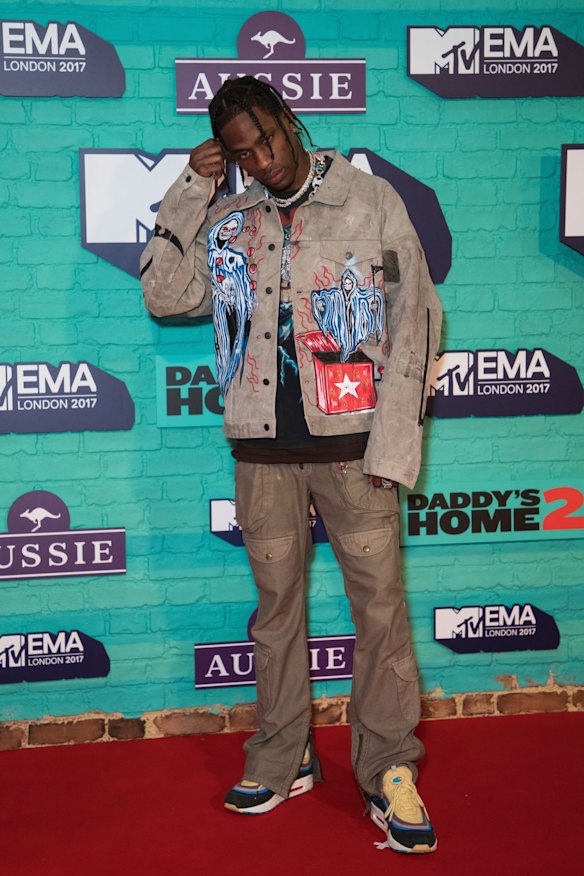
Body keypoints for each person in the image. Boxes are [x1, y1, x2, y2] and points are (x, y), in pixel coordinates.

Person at [141, 76, 442, 855]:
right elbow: (166, 295)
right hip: (260, 455)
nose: (263, 160)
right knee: (276, 616)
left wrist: (395, 446)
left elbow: (417, 323)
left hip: (354, 454)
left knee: (380, 616)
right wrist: (192, 187)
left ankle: (388, 767)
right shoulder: (231, 219)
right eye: (243, 153)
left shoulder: (369, 200)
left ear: (290, 120)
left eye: (267, 138)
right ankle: (283, 754)